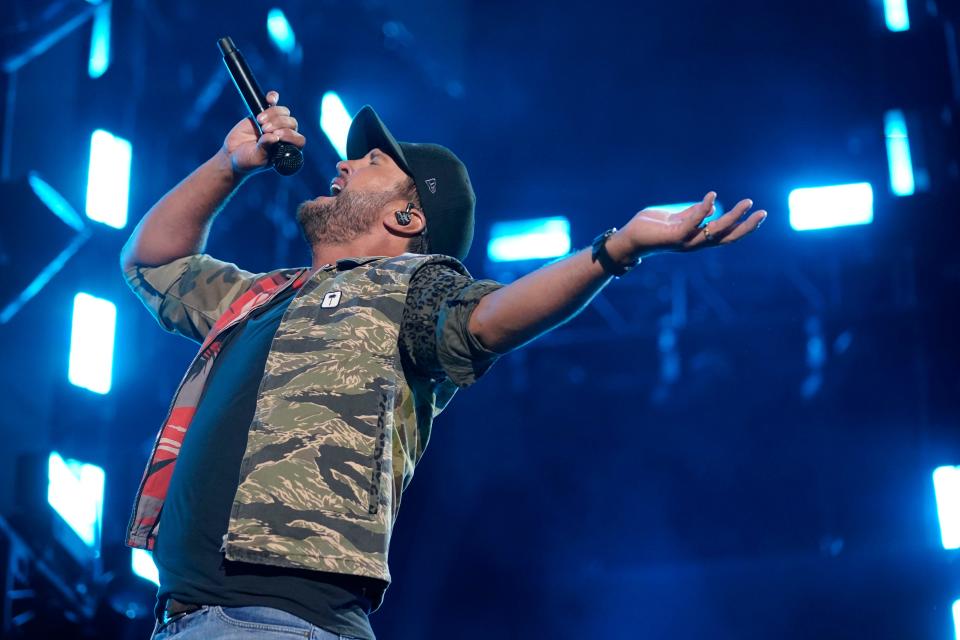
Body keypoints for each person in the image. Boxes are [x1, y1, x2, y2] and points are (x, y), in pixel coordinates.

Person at [121, 90, 766, 640]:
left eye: (368, 163)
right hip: (187, 618)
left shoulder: (411, 288)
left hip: (281, 621)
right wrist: (229, 164)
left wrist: (617, 249)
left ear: (408, 215)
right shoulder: (264, 295)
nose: (340, 165)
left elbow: (487, 320)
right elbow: (152, 263)